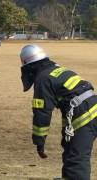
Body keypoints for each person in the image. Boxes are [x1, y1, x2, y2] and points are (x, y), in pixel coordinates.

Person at [20, 44, 97, 180]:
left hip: (84, 113)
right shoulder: (57, 69)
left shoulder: (43, 79)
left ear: (30, 66)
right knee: (70, 148)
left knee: (76, 156)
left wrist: (39, 141)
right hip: (91, 105)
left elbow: (42, 113)